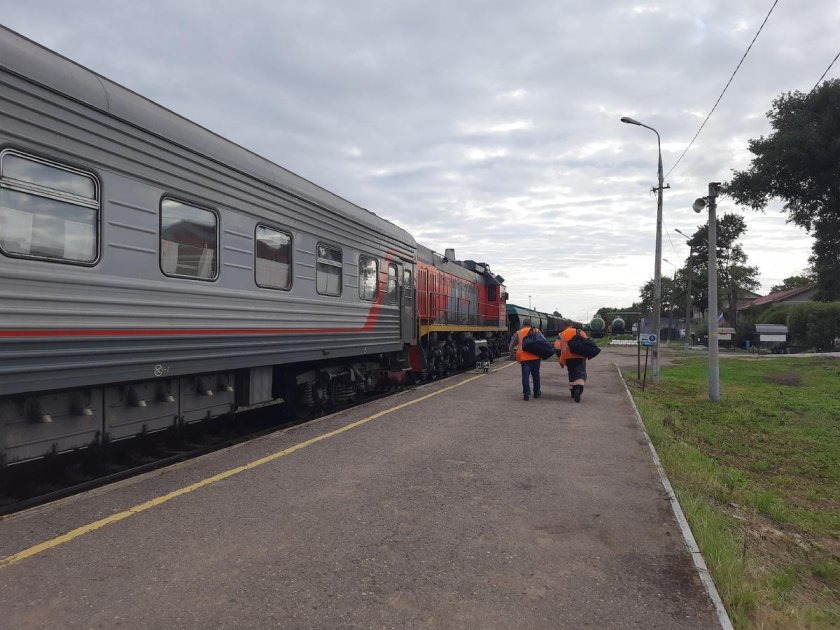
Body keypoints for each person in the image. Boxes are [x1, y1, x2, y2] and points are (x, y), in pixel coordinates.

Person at [554, 319, 588, 403]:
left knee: (571, 374)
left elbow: (557, 347)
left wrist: (560, 356)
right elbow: (587, 342)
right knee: (580, 373)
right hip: (580, 356)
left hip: (568, 358)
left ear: (564, 326)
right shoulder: (579, 332)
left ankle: (573, 391)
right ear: (571, 325)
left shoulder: (561, 335)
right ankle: (578, 389)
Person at [508, 318, 542, 400]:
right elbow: (543, 342)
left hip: (524, 359)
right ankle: (536, 393)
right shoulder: (537, 331)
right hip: (536, 357)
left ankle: (526, 394)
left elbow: (511, 346)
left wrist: (512, 355)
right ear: (530, 324)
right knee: (536, 376)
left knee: (525, 377)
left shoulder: (519, 333)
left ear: (523, 324)